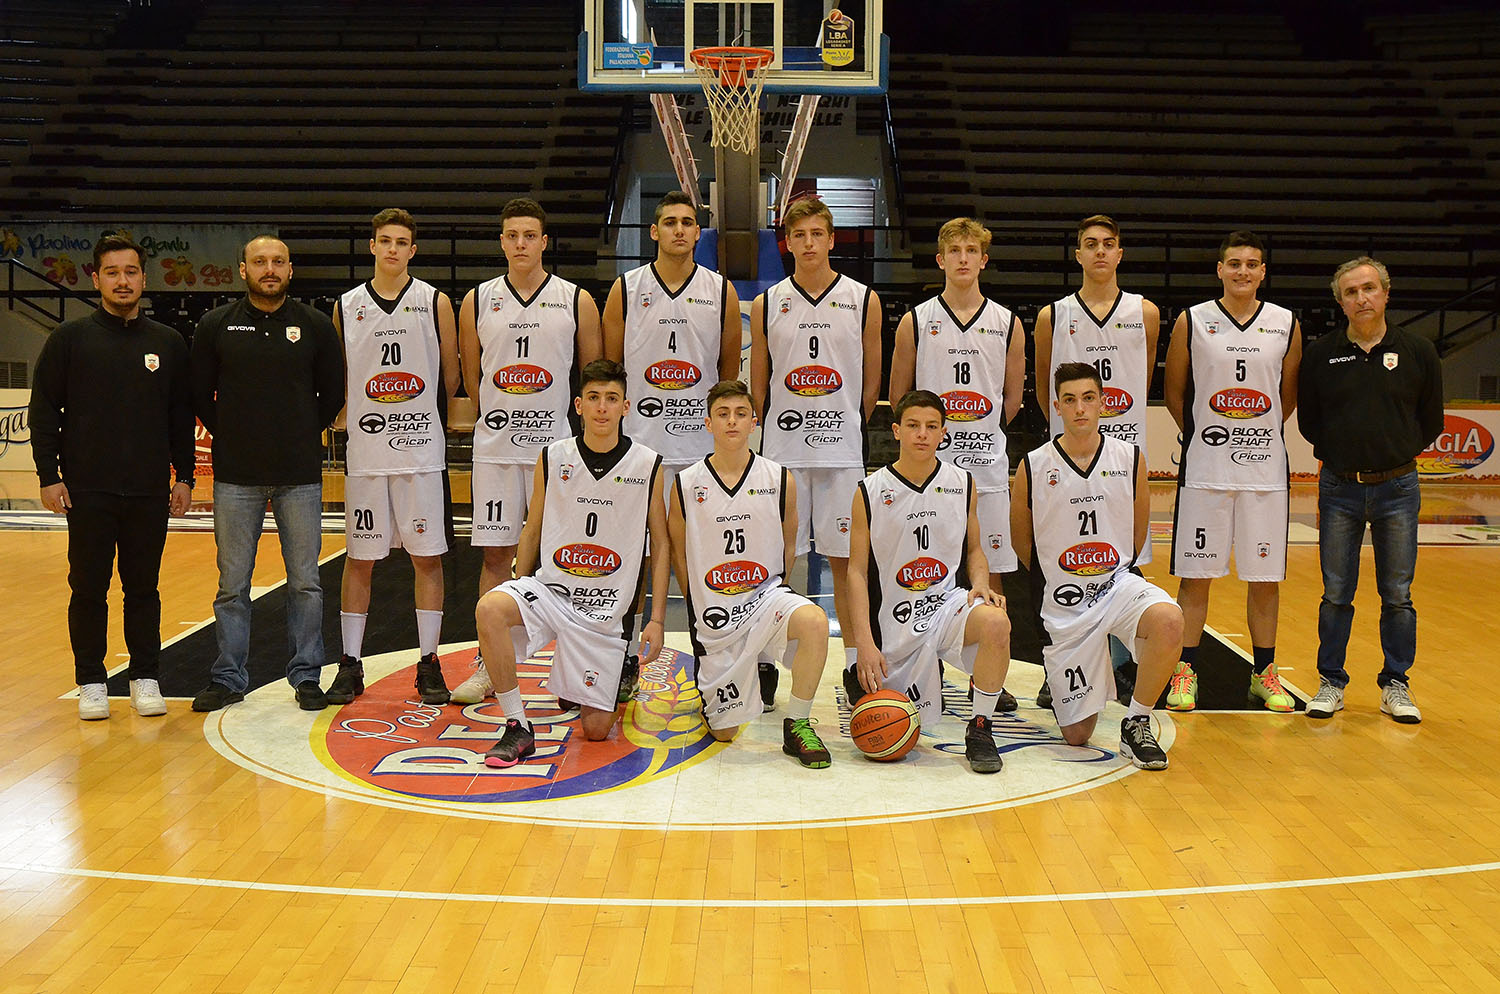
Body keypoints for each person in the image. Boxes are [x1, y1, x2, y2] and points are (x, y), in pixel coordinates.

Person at [29, 231, 194, 720]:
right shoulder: (69, 339)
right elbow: (44, 410)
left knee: (143, 589)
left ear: (143, 278)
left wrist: (184, 476)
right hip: (87, 490)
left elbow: (179, 416)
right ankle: (91, 681)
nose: (122, 281)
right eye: (112, 272)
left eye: (131, 272)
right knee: (88, 590)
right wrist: (48, 475)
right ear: (96, 279)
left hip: (147, 491)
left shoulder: (167, 342)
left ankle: (145, 677)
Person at [472, 360, 669, 766]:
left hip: (604, 612)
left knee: (595, 730)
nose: (602, 407)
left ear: (625, 407)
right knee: (491, 607)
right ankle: (517, 726)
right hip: (553, 592)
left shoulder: (648, 463)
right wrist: (519, 587)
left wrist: (657, 618)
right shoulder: (553, 456)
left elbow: (661, 545)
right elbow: (532, 529)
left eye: (611, 399)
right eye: (593, 398)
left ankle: (598, 675)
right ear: (578, 405)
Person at [452, 198, 602, 704]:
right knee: (496, 555)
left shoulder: (576, 299)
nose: (521, 243)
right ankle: (489, 665)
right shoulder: (477, 300)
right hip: (496, 449)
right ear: (502, 242)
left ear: (543, 242)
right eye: (512, 235)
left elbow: (592, 377)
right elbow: (472, 377)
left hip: (557, 454)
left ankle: (573, 667)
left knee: (566, 559)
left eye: (529, 235)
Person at [189, 235, 344, 712]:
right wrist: (231, 433)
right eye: (260, 262)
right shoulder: (216, 324)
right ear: (244, 270)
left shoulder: (315, 325)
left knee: (305, 583)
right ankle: (228, 677)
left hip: (300, 475)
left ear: (290, 270)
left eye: (278, 262)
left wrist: (300, 431)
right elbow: (199, 393)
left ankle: (307, 675)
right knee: (232, 585)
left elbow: (333, 392)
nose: (269, 269)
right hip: (236, 477)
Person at [602, 191, 740, 700]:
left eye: (687, 222)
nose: (679, 230)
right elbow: (610, 372)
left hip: (700, 452)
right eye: (670, 222)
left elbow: (728, 373)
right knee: (632, 559)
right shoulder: (626, 288)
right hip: (640, 448)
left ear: (698, 233)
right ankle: (623, 658)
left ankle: (713, 661)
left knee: (701, 560)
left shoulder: (720, 290)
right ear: (654, 231)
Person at [1011, 363, 1182, 771]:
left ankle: (1136, 720)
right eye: (1070, 400)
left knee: (1169, 619)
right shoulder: (1033, 465)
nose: (1080, 408)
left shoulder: (1130, 458)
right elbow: (1023, 544)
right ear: (1057, 407)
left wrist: (1103, 571)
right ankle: (1084, 669)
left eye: (1088, 398)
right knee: (1077, 735)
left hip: (1116, 586)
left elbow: (1136, 534)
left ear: (1102, 403)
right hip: (1065, 605)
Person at [888, 216, 1025, 713]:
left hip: (985, 467)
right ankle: (927, 664)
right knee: (926, 569)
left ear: (983, 260)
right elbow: (899, 396)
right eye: (955, 251)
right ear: (940, 260)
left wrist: (976, 434)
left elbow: (1011, 400)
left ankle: (987, 677)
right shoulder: (916, 321)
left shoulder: (1007, 322)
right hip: (929, 472)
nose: (963, 259)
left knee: (991, 571)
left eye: (972, 251)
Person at [1297, 257, 1442, 724]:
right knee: (1336, 592)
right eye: (1351, 292)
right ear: (1340, 302)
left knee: (1397, 593)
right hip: (1339, 487)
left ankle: (1395, 684)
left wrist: (1392, 452)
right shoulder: (1322, 354)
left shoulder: (1418, 351)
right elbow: (1309, 421)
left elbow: (1431, 420)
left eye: (1369, 289)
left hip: (1398, 487)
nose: (1362, 299)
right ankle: (1331, 682)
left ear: (1386, 293)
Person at [1163, 231, 1302, 712]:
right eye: (1235, 263)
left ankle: (1264, 673)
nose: (1243, 271)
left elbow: (1286, 397)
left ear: (1263, 272)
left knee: (1265, 577)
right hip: (1205, 471)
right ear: (1219, 270)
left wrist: (1253, 434)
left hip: (1264, 473)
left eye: (1252, 264)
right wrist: (1207, 436)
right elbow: (1176, 392)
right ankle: (1184, 671)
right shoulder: (1192, 320)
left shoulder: (1285, 323)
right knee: (1195, 575)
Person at [327, 209, 460, 706]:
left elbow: (449, 378)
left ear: (413, 250)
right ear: (372, 246)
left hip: (421, 453)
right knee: (359, 559)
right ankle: (350, 663)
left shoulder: (434, 301)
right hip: (366, 454)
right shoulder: (347, 306)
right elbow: (342, 375)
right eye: (385, 241)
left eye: (401, 242)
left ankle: (429, 662)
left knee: (427, 558)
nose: (392, 249)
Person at [844, 390, 1013, 774]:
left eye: (931, 426)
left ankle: (981, 727)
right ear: (896, 431)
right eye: (913, 425)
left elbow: (975, 550)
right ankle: (879, 675)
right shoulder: (869, 491)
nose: (922, 434)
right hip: (895, 622)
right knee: (887, 729)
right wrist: (863, 645)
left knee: (995, 621)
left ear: (943, 433)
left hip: (945, 608)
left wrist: (981, 582)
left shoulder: (962, 483)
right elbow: (856, 573)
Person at [750, 196, 881, 687]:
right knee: (776, 562)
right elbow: (759, 383)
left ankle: (854, 664)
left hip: (841, 451)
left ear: (831, 239)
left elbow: (870, 381)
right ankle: (766, 662)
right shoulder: (767, 303)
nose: (808, 243)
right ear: (787, 243)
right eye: (799, 235)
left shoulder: (863, 299)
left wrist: (844, 420)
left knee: (846, 562)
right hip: (783, 452)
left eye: (816, 234)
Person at [667, 379, 832, 768]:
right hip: (715, 616)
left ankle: (798, 723)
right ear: (708, 423)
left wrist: (771, 596)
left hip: (764, 600)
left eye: (741, 414)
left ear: (754, 423)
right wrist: (700, 606)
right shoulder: (686, 484)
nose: (732, 421)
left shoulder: (779, 478)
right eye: (723, 414)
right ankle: (721, 683)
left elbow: (788, 545)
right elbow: (679, 554)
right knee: (725, 732)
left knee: (813, 621)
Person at [1033, 214, 1162, 707]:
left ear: (1120, 253)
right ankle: (1060, 662)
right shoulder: (1053, 316)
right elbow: (1045, 390)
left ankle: (1122, 665)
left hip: (1122, 458)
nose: (1101, 252)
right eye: (1091, 244)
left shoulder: (1144, 312)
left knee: (1122, 560)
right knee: (1061, 562)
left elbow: (1141, 383)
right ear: (1078, 255)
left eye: (1109, 243)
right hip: (1067, 458)